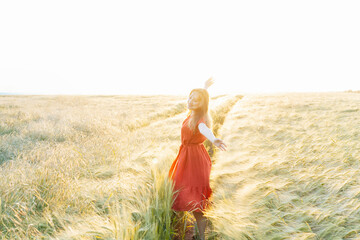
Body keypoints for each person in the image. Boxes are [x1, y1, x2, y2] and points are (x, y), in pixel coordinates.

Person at [168, 77, 227, 240]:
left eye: (196, 100)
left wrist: (213, 139)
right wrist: (204, 88)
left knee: (196, 204)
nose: (191, 101)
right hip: (188, 158)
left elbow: (204, 129)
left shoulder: (199, 120)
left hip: (194, 162)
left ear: (202, 104)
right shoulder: (193, 113)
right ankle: (197, 233)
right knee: (190, 198)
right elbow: (200, 99)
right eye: (190, 97)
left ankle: (201, 237)